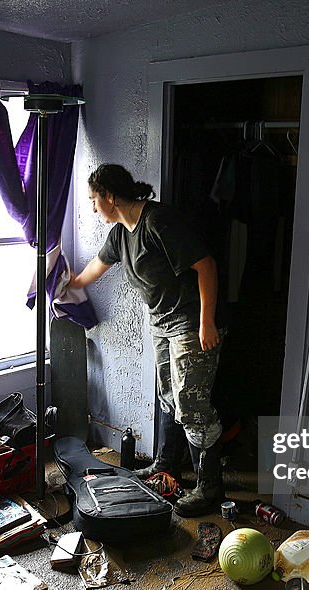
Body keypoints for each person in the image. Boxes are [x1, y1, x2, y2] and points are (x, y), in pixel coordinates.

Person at [67, 164, 227, 516]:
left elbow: (206, 266)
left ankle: (209, 486)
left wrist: (207, 322)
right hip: (162, 323)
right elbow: (96, 268)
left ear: (110, 196)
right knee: (169, 397)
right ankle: (165, 465)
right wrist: (68, 284)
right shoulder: (120, 234)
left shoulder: (157, 222)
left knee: (193, 407)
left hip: (190, 322)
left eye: (95, 200)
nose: (94, 208)